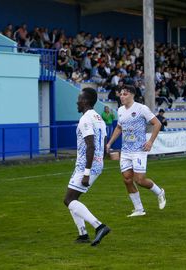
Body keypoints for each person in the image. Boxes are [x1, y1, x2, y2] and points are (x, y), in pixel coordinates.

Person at [106, 87, 166, 217]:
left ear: (132, 95)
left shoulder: (141, 108)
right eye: (120, 94)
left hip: (139, 150)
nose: (121, 96)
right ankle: (139, 209)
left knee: (139, 180)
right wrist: (110, 142)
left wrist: (150, 142)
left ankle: (159, 192)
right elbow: (119, 127)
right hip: (126, 151)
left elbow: (157, 124)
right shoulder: (120, 110)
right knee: (127, 179)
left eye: (125, 94)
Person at [63, 87, 110, 246]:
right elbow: (104, 146)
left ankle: (99, 226)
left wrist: (87, 172)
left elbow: (90, 146)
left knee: (68, 199)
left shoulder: (85, 119)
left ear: (85, 101)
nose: (77, 101)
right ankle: (82, 234)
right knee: (73, 199)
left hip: (86, 165)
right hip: (95, 163)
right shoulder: (99, 118)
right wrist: (98, 163)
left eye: (79, 99)